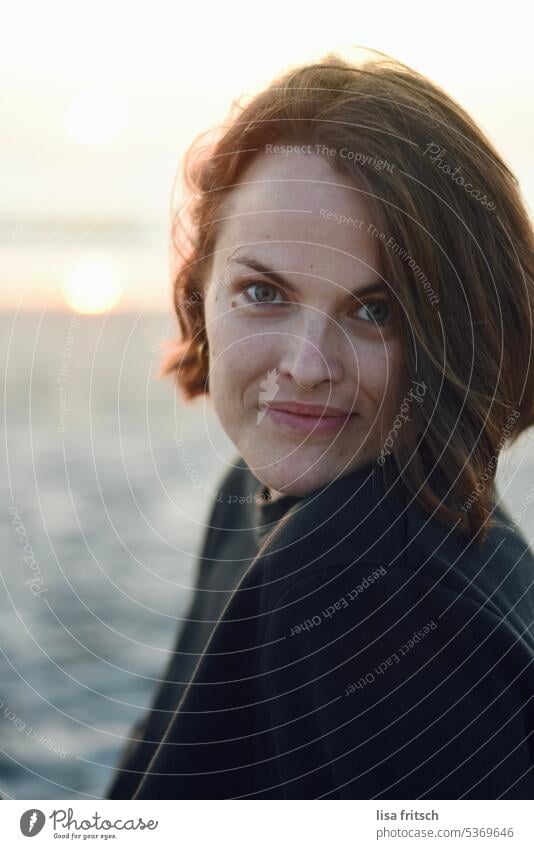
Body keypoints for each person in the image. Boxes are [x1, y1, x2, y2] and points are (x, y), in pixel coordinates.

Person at [106, 49, 534, 799]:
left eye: (376, 311)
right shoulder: (255, 497)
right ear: (201, 287)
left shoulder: (358, 571)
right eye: (263, 291)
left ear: (463, 332)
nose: (306, 365)